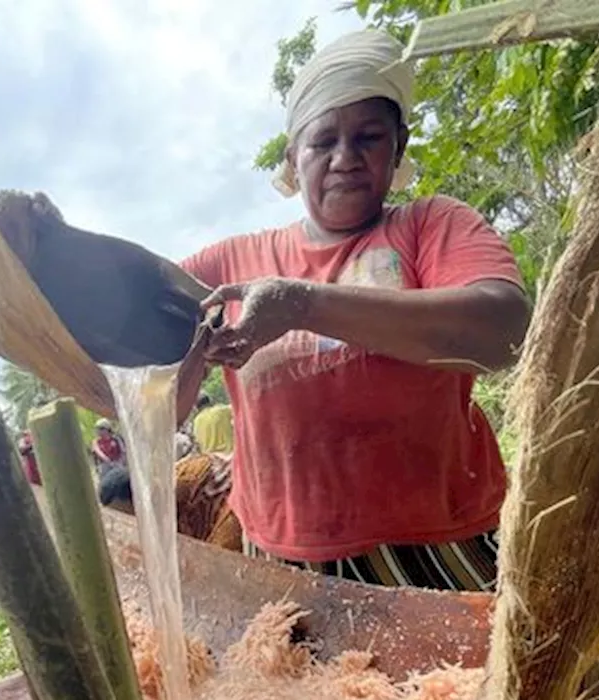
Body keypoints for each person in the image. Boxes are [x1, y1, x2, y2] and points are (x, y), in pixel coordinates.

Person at [175, 28, 531, 592]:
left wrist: (304, 303)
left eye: (368, 137)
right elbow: (142, 343)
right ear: (294, 158)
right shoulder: (229, 262)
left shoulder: (430, 225)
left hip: (443, 543)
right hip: (281, 556)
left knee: (465, 679)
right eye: (323, 143)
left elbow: (504, 332)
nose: (346, 159)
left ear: (398, 148)